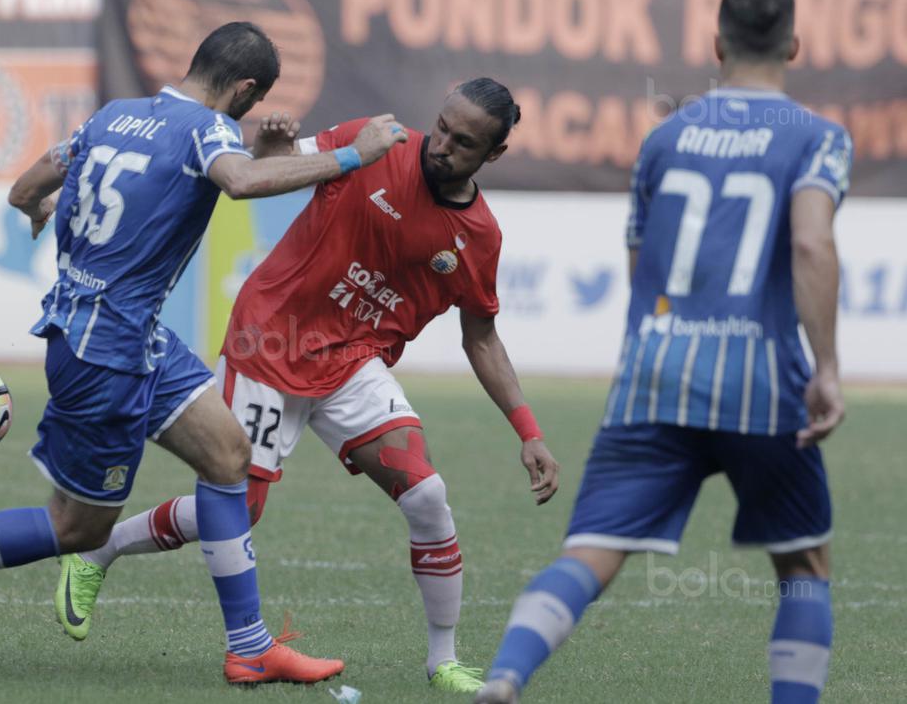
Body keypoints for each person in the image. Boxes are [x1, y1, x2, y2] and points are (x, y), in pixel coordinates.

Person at [0, 22, 408, 684]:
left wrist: (54, 210)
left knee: (230, 456)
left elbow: (26, 190)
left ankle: (250, 647)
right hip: (104, 352)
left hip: (130, 334)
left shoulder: (113, 117)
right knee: (77, 528)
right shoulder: (209, 130)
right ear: (245, 89)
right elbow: (240, 182)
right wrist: (355, 154)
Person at [54, 77, 563, 695]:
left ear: (494, 154)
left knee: (427, 496)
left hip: (352, 362)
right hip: (272, 338)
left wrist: (528, 431)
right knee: (238, 509)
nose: (442, 147)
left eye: (464, 143)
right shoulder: (372, 144)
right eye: (443, 128)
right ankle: (98, 551)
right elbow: (271, 170)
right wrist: (273, 146)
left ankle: (443, 661)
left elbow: (480, 338)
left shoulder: (479, 237)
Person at [475, 0, 851, 702]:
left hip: (655, 375)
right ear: (795, 46)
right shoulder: (815, 138)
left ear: (715, 45)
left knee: (590, 552)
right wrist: (826, 367)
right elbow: (809, 242)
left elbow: (637, 261)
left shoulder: (664, 138)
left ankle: (505, 675)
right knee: (803, 564)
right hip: (760, 382)